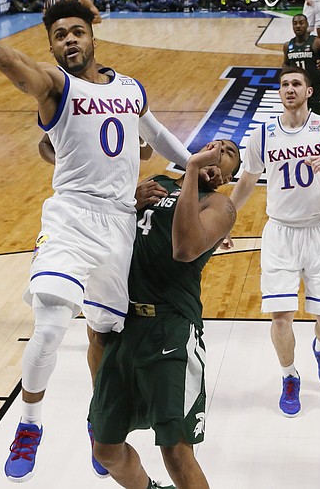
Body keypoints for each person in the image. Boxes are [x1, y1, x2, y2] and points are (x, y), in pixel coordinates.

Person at [0, 0, 199, 482]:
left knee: (103, 332)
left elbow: (156, 133)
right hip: (70, 219)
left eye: (77, 31)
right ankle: (30, 424)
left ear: (92, 36)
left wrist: (194, 166)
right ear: (53, 47)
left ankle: (99, 421)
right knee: (53, 319)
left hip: (118, 224)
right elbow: (5, 59)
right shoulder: (54, 86)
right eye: (60, 35)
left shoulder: (129, 87)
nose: (70, 40)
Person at [90, 140, 240, 489]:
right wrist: (126, 204)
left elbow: (185, 248)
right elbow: (106, 226)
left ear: (227, 174)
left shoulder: (219, 204)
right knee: (106, 450)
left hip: (170, 327)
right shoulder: (157, 181)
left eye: (227, 152)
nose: (217, 150)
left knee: (175, 450)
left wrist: (190, 173)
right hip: (123, 323)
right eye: (212, 146)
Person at [226, 66, 320, 417]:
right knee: (281, 318)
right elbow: (246, 183)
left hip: (319, 232)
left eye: (296, 83)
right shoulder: (263, 135)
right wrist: (226, 221)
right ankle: (289, 376)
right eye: (284, 84)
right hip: (280, 234)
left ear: (309, 91)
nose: (289, 89)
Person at [282, 13, 320, 118]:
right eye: (295, 23)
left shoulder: (317, 42)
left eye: (301, 23)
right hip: (298, 91)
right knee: (297, 122)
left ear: (307, 25)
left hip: (317, 89)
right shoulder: (288, 46)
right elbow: (286, 63)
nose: (298, 26)